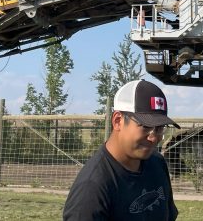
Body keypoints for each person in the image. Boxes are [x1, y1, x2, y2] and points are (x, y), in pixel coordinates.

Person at [63, 80, 179, 220]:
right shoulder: (92, 188)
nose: (154, 138)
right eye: (146, 126)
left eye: (160, 128)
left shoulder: (157, 163)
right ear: (118, 121)